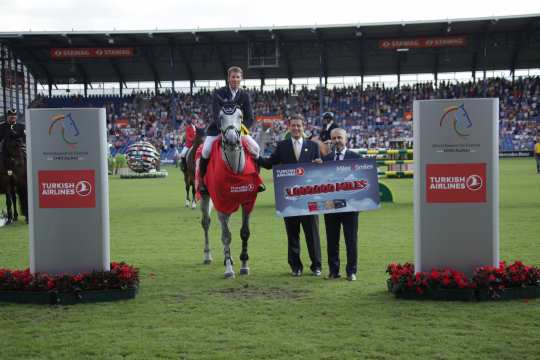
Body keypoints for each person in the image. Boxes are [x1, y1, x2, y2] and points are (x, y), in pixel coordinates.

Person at [258, 114, 323, 277]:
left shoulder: (313, 147)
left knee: (312, 234)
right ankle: (296, 266)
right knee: (292, 233)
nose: (296, 128)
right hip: (289, 199)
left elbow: (322, 171)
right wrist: (254, 156)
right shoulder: (282, 146)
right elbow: (268, 163)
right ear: (289, 127)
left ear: (304, 127)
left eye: (299, 126)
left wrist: (321, 164)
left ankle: (316, 266)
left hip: (309, 199)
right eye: (293, 125)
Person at [199, 66, 260, 193]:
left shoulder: (244, 95)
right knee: (206, 150)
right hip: (218, 129)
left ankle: (256, 179)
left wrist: (240, 130)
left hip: (238, 130)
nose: (235, 79)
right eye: (233, 77)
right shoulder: (219, 93)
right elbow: (215, 115)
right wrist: (224, 130)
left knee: (256, 148)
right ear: (228, 78)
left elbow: (250, 117)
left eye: (238, 77)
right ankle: (202, 181)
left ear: (241, 79)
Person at [322, 128, 361, 281]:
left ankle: (351, 271)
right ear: (331, 140)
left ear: (346, 139)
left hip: (351, 206)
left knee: (351, 240)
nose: (337, 140)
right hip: (330, 205)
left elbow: (363, 182)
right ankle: (333, 271)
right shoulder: (325, 159)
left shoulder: (356, 158)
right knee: (332, 240)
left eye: (339, 137)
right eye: (334, 138)